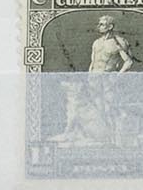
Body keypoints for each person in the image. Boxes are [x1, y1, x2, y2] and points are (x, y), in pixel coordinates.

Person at [50, 14, 135, 147]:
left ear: (110, 26)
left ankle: (115, 141)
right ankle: (102, 139)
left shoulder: (118, 42)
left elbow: (128, 62)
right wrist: (89, 77)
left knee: (109, 108)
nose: (99, 26)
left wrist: (118, 76)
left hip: (108, 79)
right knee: (96, 107)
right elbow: (93, 62)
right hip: (94, 79)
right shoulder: (96, 43)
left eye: (102, 24)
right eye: (99, 24)